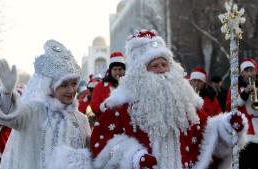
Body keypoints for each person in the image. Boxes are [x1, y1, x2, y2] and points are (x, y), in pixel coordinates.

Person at [90, 29, 248, 169]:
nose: (161, 70)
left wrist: (226, 127)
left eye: (164, 64)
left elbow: (207, 134)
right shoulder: (123, 107)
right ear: (140, 73)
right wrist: (134, 157)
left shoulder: (186, 103)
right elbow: (102, 143)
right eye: (154, 65)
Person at [0, 40, 92, 169]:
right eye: (64, 85)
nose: (71, 90)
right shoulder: (34, 111)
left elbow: (90, 156)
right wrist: (7, 92)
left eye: (73, 84)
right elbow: (8, 116)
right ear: (51, 87)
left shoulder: (81, 120)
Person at [226, 58, 258, 169]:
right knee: (245, 164)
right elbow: (232, 107)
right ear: (242, 73)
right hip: (245, 133)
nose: (249, 73)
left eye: (251, 70)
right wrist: (245, 93)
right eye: (246, 71)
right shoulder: (235, 88)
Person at [90, 51, 126, 118]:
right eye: (115, 69)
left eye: (120, 69)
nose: (117, 72)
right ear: (110, 71)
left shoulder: (130, 84)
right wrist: (106, 104)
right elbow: (94, 108)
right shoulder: (99, 87)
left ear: (124, 71)